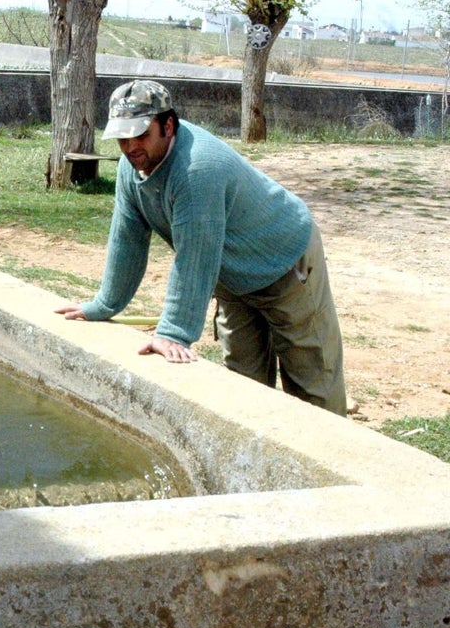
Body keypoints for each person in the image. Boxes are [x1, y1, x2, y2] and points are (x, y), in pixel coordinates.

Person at [55, 79, 347, 416]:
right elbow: (127, 238)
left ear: (168, 125)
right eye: (122, 138)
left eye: (140, 134)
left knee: (312, 383)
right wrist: (104, 304)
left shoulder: (197, 170)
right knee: (244, 382)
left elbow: (195, 256)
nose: (131, 146)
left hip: (284, 262)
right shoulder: (131, 167)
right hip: (232, 275)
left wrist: (173, 333)